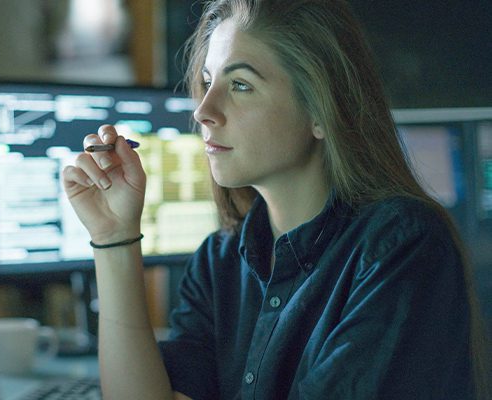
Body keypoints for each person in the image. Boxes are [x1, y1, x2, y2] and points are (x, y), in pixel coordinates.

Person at [61, 0, 490, 399]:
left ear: (321, 110)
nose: (203, 110)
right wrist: (114, 238)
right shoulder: (219, 261)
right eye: (208, 83)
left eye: (241, 85)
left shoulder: (401, 246)